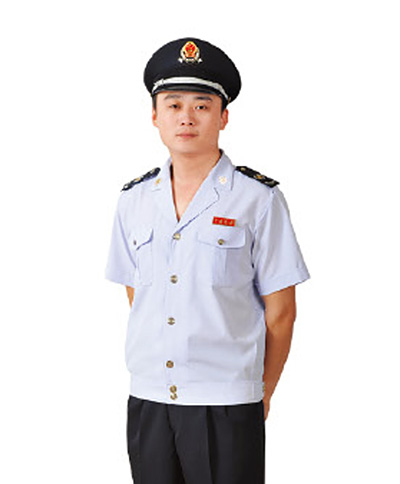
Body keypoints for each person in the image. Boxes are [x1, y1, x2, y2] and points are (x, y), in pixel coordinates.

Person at [105, 37, 310, 484]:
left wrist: (260, 392)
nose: (187, 117)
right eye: (174, 105)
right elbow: (137, 294)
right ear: (155, 116)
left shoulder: (258, 199)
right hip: (150, 398)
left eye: (201, 105)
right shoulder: (133, 200)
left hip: (227, 402)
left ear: (223, 117)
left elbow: (281, 312)